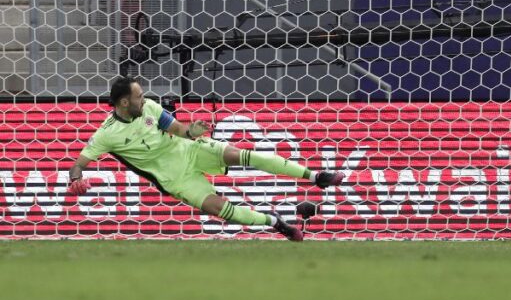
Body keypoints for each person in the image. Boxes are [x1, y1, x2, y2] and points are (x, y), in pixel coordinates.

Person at [66, 76, 342, 241]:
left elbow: (176, 129)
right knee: (219, 209)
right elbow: (78, 164)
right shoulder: (107, 134)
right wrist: (77, 179)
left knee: (241, 155)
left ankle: (317, 177)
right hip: (174, 177)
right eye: (138, 96)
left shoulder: (150, 107)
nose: (144, 98)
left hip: (188, 149)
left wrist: (191, 131)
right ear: (124, 103)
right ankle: (278, 224)